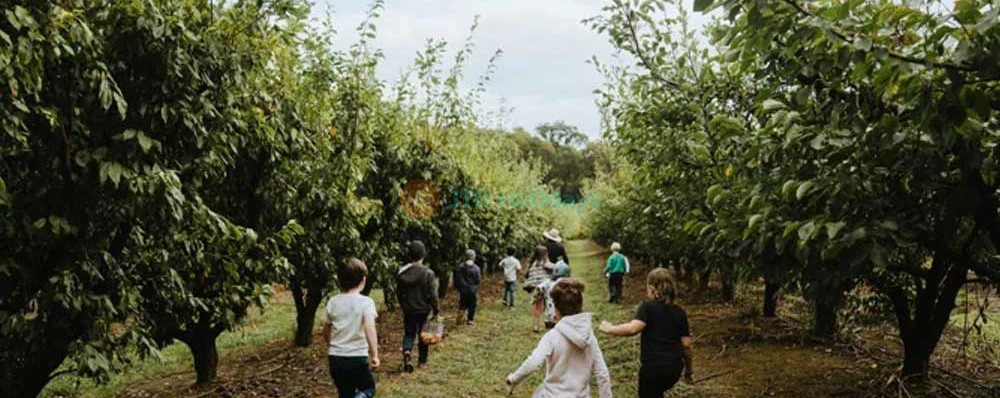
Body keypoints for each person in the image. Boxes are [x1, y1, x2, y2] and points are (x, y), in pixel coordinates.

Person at [505, 278, 612, 398]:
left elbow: (534, 362)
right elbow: (602, 373)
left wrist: (514, 378)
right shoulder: (589, 337)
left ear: (556, 311)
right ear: (581, 306)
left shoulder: (552, 336)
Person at [599, 268, 695, 398]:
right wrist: (688, 371)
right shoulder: (680, 312)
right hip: (674, 370)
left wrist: (609, 328)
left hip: (652, 370)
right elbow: (687, 345)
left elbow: (633, 328)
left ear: (651, 289)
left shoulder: (647, 307)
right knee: (657, 392)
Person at [323, 258, 380, 398]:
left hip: (336, 358)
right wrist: (375, 355)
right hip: (356, 357)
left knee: (344, 393)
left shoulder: (333, 301)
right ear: (363, 280)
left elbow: (326, 329)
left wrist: (332, 345)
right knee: (368, 389)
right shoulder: (366, 303)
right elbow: (369, 328)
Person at [395, 240, 439, 373]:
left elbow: (399, 293)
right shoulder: (428, 273)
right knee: (423, 335)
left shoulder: (402, 273)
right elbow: (433, 294)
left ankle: (407, 352)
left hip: (408, 309)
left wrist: (403, 305)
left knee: (409, 333)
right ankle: (422, 362)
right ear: (423, 255)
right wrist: (436, 309)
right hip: (424, 310)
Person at [524, 245, 554, 332]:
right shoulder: (545, 263)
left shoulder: (532, 264)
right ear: (545, 254)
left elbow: (527, 274)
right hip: (543, 287)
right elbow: (554, 269)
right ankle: (544, 323)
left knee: (537, 306)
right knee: (546, 305)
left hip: (535, 288)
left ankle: (536, 325)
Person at [453, 249, 482, 325]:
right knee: (472, 305)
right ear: (474, 257)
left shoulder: (460, 267)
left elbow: (457, 279)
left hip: (463, 290)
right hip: (473, 290)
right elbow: (478, 280)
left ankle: (460, 318)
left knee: (463, 304)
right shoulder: (476, 268)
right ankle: (470, 320)